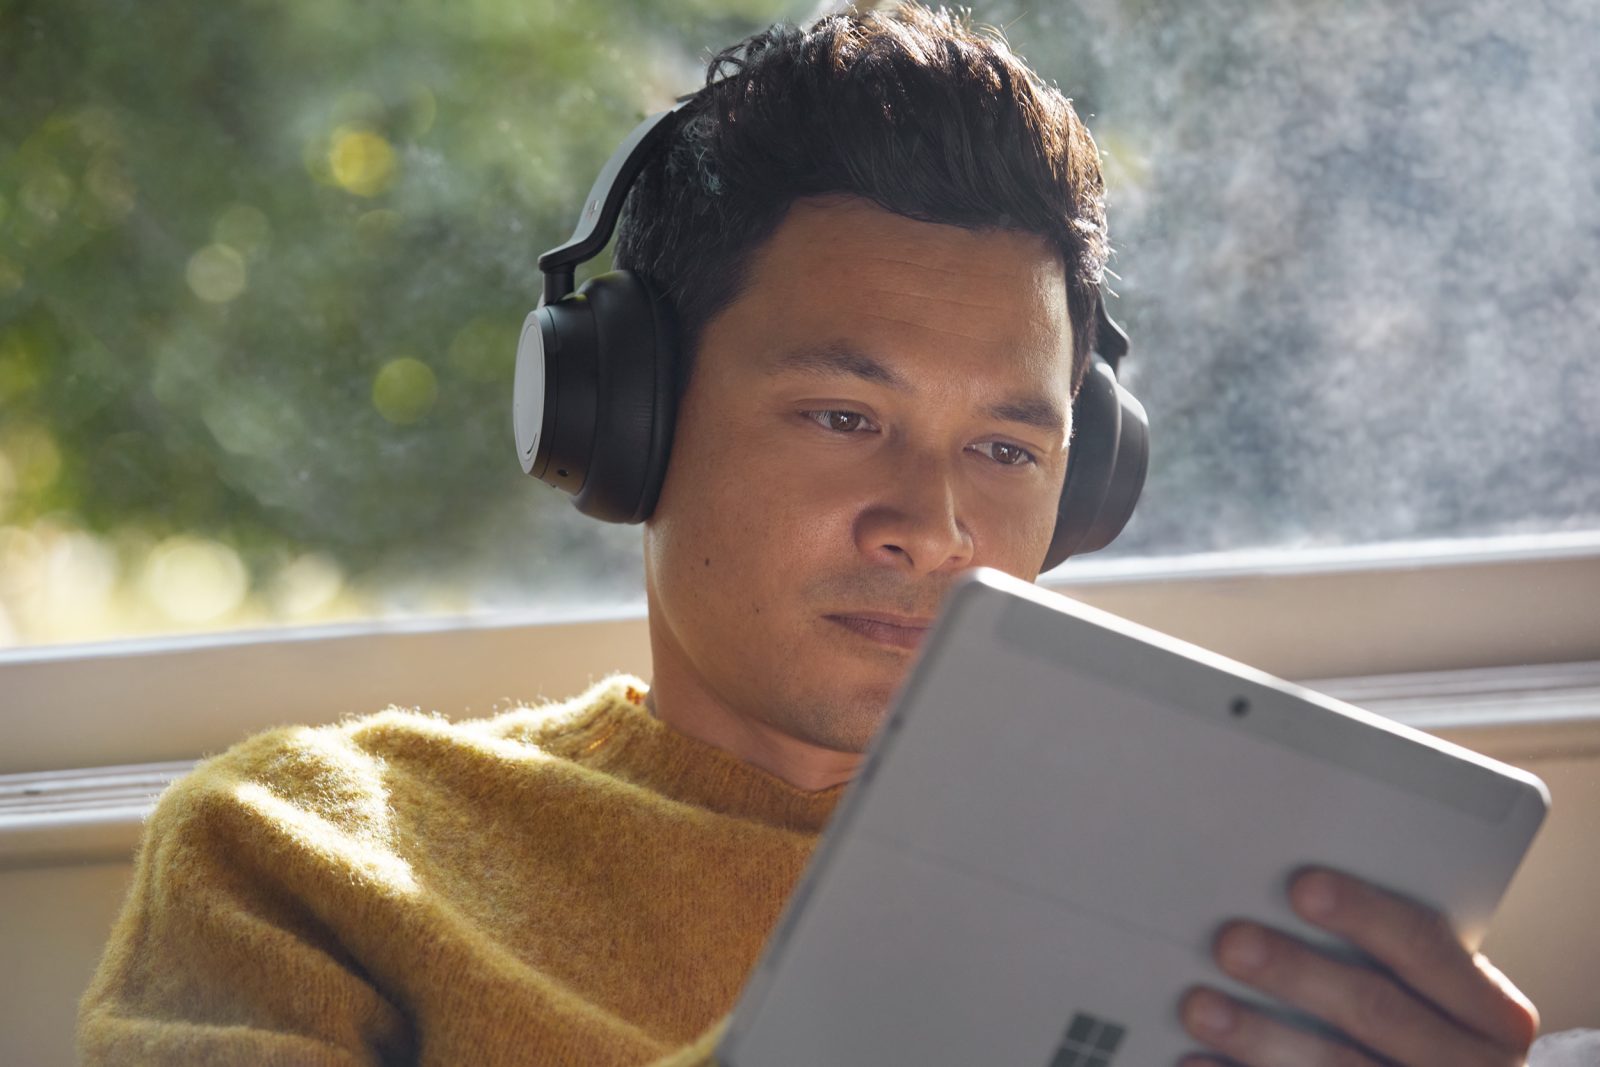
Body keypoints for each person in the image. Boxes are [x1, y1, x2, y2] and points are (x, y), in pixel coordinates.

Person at [79, 5, 1556, 1065]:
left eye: (1005, 447)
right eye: (844, 419)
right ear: (624, 419)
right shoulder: (306, 851)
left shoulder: (1227, 911)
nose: (935, 525)